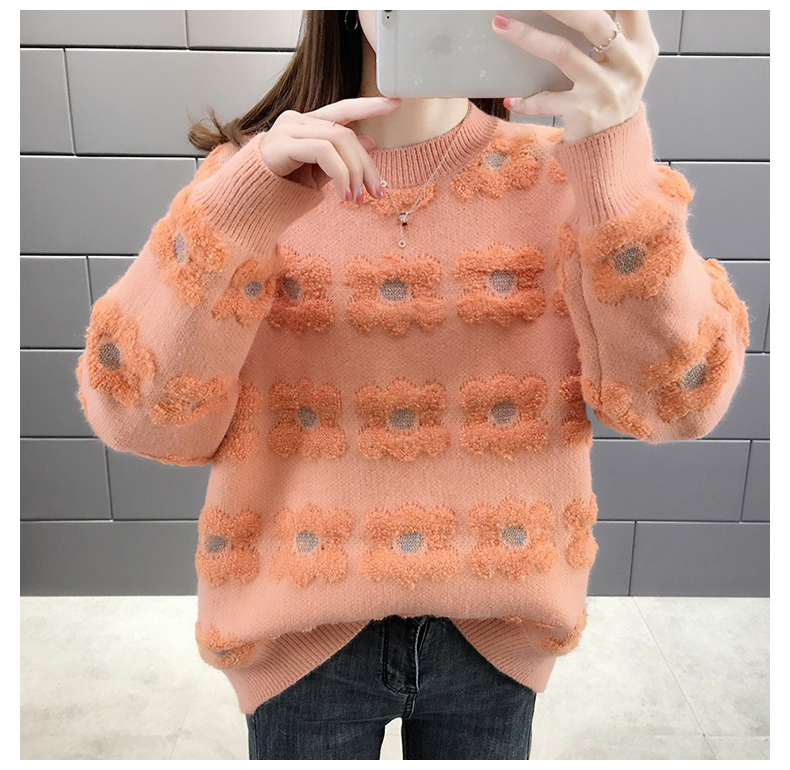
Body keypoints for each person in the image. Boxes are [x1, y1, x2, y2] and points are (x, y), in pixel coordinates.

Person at [75, 9, 749, 761]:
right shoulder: (253, 180)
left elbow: (678, 401)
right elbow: (138, 415)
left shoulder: (569, 175)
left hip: (497, 637)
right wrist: (241, 205)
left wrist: (614, 155)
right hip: (298, 638)